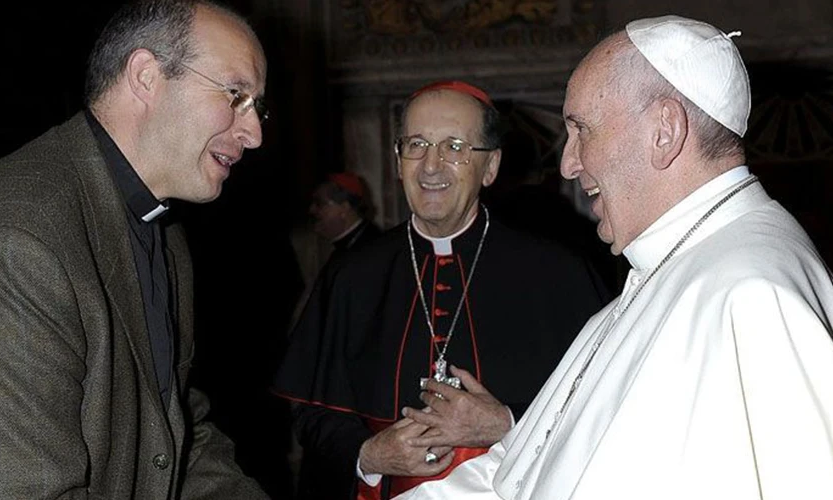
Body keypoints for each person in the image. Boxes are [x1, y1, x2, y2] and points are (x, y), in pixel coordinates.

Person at [395, 15, 833, 500]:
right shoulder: (662, 268)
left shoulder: (754, 293)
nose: (568, 164)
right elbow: (518, 473)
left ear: (664, 131)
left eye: (582, 130)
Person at [0, 1, 271, 498]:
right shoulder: (13, 242)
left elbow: (173, 439)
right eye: (236, 95)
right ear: (146, 76)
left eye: (258, 107)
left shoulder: (162, 234)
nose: (254, 134)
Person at [274, 80, 609, 499]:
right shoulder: (351, 275)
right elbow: (311, 412)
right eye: (416, 145)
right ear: (398, 162)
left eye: (455, 147)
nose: (431, 166)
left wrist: (508, 423)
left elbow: (603, 404)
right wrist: (369, 455)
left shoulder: (558, 273)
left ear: (490, 166)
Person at [309, 172, 383, 264]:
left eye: (319, 203)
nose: (312, 209)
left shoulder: (371, 247)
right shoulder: (350, 245)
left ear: (344, 208)